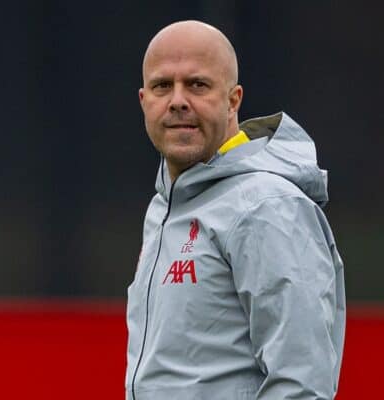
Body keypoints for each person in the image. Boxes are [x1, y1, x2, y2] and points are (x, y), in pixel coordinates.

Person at [126, 20, 345, 400]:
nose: (177, 100)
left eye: (197, 84)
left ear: (233, 100)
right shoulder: (166, 205)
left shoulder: (268, 206)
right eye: (163, 86)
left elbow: (302, 383)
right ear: (144, 101)